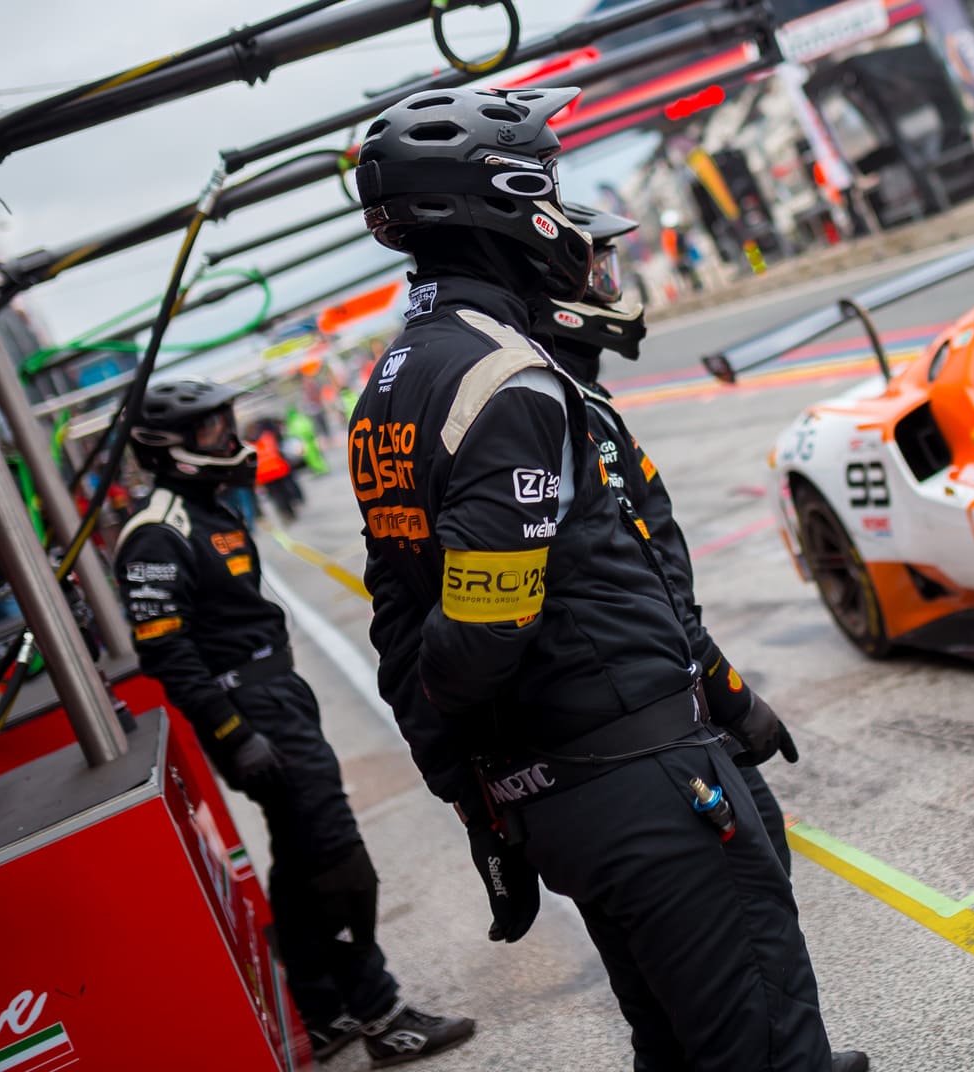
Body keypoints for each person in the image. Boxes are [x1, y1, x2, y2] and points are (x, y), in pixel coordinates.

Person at [348, 86, 867, 1072]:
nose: (559, 206)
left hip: (570, 786)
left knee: (674, 1043)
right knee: (763, 1048)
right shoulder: (504, 379)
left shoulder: (393, 379)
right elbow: (476, 634)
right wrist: (488, 769)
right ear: (504, 203)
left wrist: (482, 790)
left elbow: (400, 616)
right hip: (633, 776)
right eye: (545, 183)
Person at [113, 377, 474, 1066]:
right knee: (337, 857)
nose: (228, 438)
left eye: (225, 423)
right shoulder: (157, 532)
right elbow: (165, 651)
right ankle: (382, 1014)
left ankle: (323, 1009)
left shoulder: (209, 508)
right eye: (210, 430)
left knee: (302, 856)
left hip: (276, 694)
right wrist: (233, 733)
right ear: (168, 447)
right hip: (248, 711)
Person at [533, 202, 796, 872]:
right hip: (658, 705)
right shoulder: (564, 406)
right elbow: (646, 580)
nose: (611, 287)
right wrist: (730, 692)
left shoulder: (571, 395)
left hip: (657, 693)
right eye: (598, 272)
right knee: (755, 870)